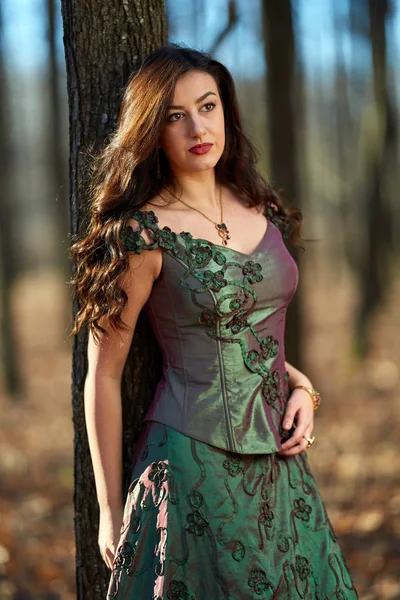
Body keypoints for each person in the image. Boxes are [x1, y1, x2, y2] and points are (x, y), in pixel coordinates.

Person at [69, 44, 358, 599]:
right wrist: (108, 509)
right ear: (152, 131)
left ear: (226, 111)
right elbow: (102, 376)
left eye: (207, 107)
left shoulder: (260, 207)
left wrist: (302, 387)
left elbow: (241, 332)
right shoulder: (143, 233)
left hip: (279, 463)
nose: (196, 127)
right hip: (191, 464)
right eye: (174, 116)